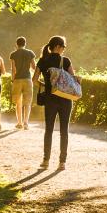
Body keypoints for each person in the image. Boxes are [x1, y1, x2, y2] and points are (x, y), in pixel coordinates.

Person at [37, 36, 76, 170]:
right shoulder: (65, 61)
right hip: (65, 99)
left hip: (50, 99)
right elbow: (72, 78)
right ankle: (62, 162)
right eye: (64, 47)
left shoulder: (43, 60)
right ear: (58, 46)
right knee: (64, 131)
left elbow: (34, 79)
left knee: (48, 130)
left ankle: (46, 160)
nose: (64, 49)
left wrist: (47, 84)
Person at [9, 37, 37, 130]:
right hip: (28, 79)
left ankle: (19, 123)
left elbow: (13, 69)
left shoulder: (13, 54)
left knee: (18, 102)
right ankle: (26, 123)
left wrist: (12, 79)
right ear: (25, 44)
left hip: (17, 80)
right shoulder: (30, 53)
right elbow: (34, 67)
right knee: (27, 102)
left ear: (16, 44)